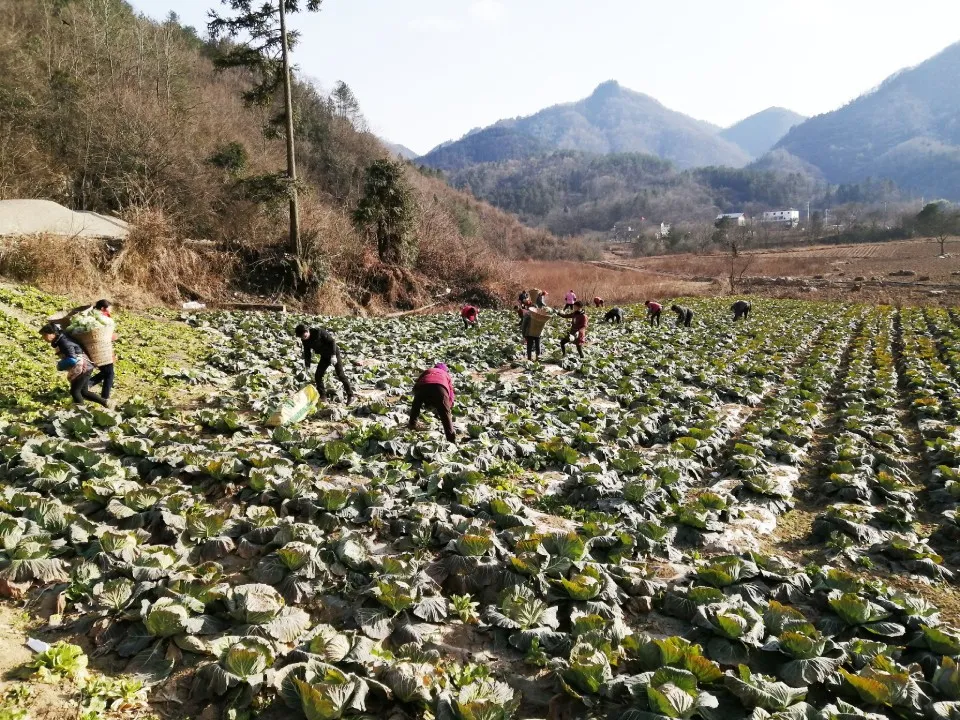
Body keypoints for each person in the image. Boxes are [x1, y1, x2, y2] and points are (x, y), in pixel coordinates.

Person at [39, 324, 109, 407]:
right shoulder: (61, 339)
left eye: (44, 335)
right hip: (87, 367)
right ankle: (106, 403)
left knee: (75, 391)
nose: (43, 338)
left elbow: (72, 359)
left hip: (82, 368)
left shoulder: (64, 342)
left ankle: (80, 412)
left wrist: (60, 365)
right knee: (84, 392)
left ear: (52, 333)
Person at [294, 324, 354, 403]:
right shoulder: (304, 340)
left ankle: (351, 396)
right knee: (318, 375)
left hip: (334, 353)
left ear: (307, 331)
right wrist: (307, 366)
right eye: (301, 337)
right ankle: (323, 396)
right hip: (324, 356)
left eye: (304, 335)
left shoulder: (319, 332)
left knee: (340, 374)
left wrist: (333, 355)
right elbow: (307, 352)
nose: (303, 338)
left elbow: (332, 341)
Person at [408, 362, 456, 442]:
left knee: (416, 404)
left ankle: (412, 423)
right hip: (440, 388)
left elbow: (417, 383)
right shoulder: (446, 374)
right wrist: (448, 406)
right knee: (445, 414)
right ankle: (451, 438)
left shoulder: (429, 370)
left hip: (423, 386)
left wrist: (418, 397)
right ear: (445, 370)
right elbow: (451, 393)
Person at [87, 299, 117, 400]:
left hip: (96, 348)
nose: (111, 310)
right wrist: (113, 337)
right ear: (103, 308)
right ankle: (105, 398)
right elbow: (103, 334)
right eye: (109, 308)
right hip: (100, 349)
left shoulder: (92, 315)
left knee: (106, 372)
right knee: (109, 373)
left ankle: (87, 384)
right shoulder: (102, 317)